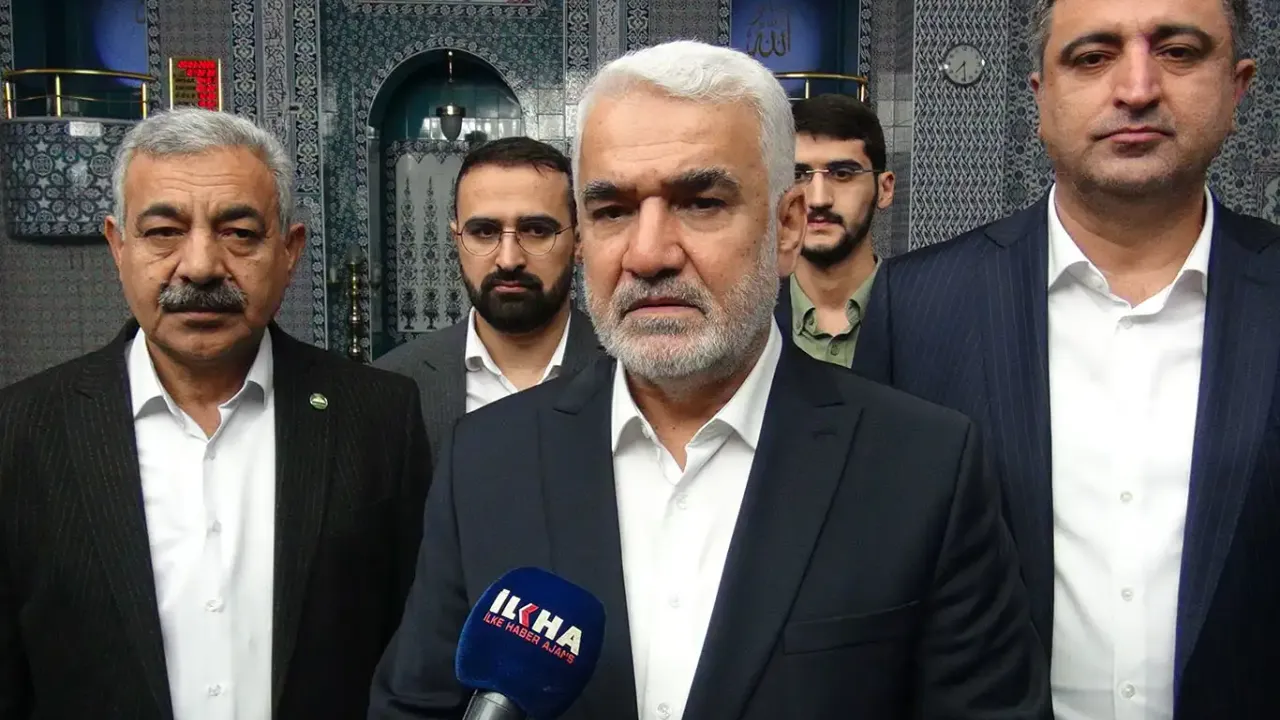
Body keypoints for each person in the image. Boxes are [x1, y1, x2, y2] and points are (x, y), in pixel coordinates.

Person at [369, 40, 1049, 720]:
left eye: (700, 203)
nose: (648, 255)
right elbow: (415, 706)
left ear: (787, 227)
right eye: (612, 211)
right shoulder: (487, 459)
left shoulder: (923, 466)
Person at [853, 0, 1278, 717]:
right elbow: (876, 586)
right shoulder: (918, 308)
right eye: (1093, 57)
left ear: (1237, 87)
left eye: (1178, 52)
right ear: (1041, 95)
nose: (1137, 88)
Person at [0, 108, 432, 720]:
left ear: (289, 251)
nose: (201, 266)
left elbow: (410, 652)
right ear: (117, 247)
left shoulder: (379, 417)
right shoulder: (23, 432)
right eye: (163, 232)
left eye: (239, 233)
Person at [376, 137, 601, 450]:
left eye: (536, 230)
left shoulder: (635, 375)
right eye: (484, 232)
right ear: (457, 239)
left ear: (578, 241)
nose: (508, 260)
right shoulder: (393, 386)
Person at [775, 94, 894, 367]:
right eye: (798, 175)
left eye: (842, 174)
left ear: (884, 189)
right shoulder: (748, 323)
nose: (818, 200)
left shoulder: (931, 318)